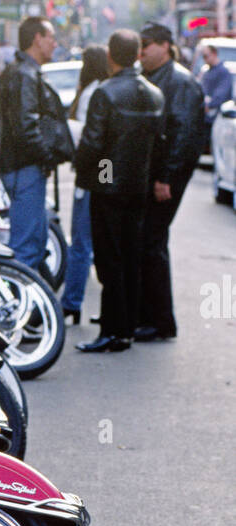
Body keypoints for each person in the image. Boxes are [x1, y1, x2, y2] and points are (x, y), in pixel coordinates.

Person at [73, 29, 164, 354]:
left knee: (110, 261)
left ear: (111, 55)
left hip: (108, 185)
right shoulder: (154, 93)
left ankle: (113, 331)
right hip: (136, 186)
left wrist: (83, 170)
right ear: (137, 53)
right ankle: (124, 328)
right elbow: (159, 144)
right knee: (130, 257)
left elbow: (93, 143)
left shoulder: (107, 93)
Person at [136, 20, 206, 341]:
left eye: (146, 44)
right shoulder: (154, 77)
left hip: (166, 177)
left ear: (165, 46)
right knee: (147, 242)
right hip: (153, 174)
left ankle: (160, 321)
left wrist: (167, 177)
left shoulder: (181, 82)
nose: (141, 51)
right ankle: (145, 314)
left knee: (152, 242)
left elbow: (185, 136)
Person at [0, 16, 74, 270]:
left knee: (34, 244)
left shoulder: (22, 72)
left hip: (24, 168)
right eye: (51, 37)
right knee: (26, 249)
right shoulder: (24, 75)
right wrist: (46, 156)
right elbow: (25, 127)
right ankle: (20, 303)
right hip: (24, 168)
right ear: (37, 39)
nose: (54, 43)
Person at [61, 44, 109, 322]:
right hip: (105, 174)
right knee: (95, 240)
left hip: (90, 174)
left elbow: (89, 138)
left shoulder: (91, 93)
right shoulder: (102, 90)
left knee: (81, 241)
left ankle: (72, 303)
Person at [199, 43, 233, 132]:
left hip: (218, 118)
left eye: (206, 56)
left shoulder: (223, 72)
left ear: (214, 54)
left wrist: (210, 105)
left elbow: (221, 93)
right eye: (203, 57)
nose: (204, 60)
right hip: (205, 117)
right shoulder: (206, 71)